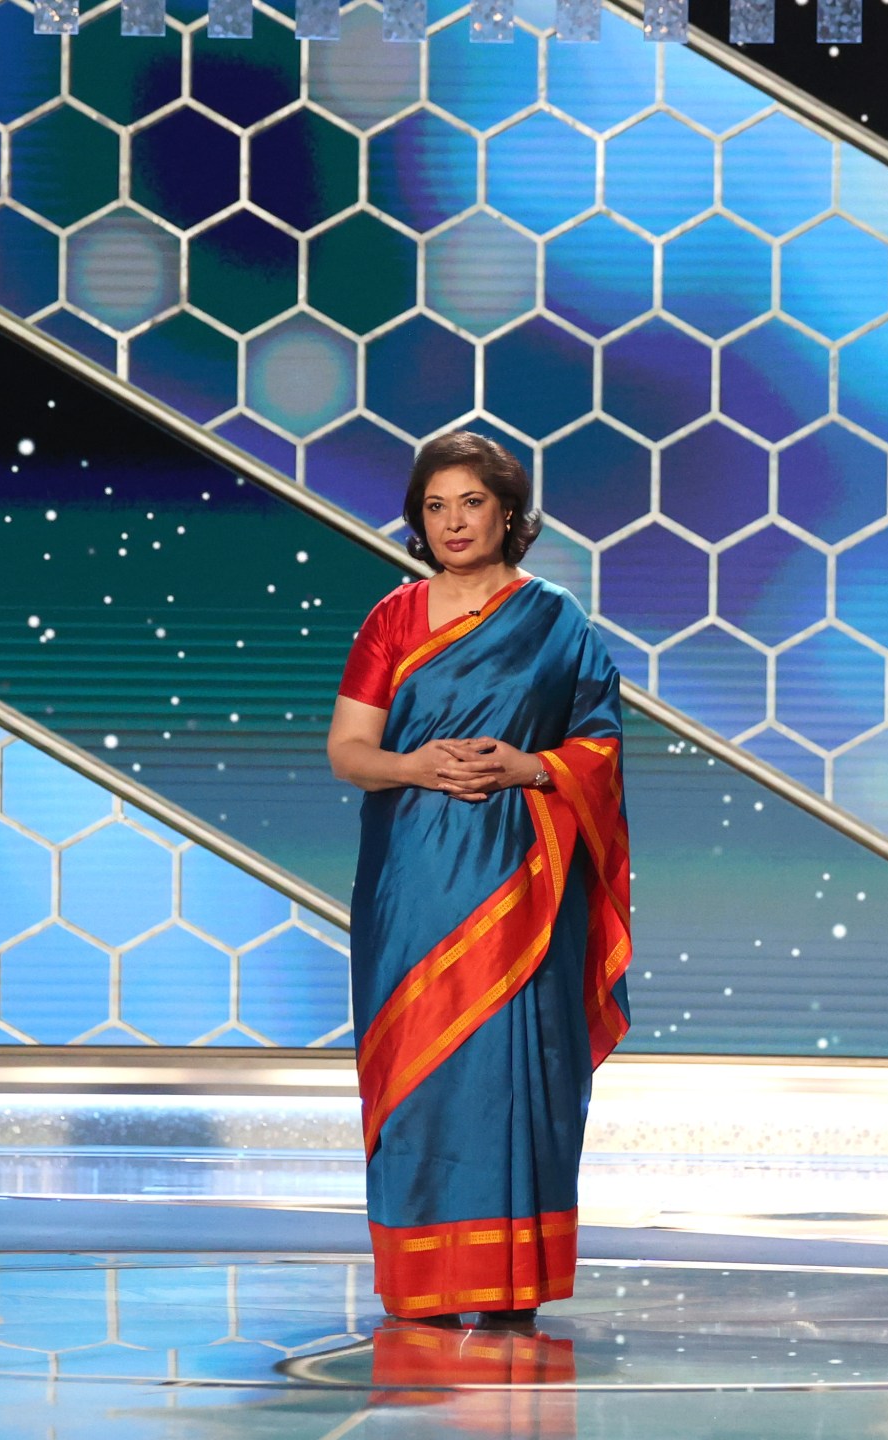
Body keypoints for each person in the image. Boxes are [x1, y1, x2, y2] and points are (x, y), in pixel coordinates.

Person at [326, 430, 631, 1328]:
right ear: (419, 520)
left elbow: (601, 747)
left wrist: (528, 769)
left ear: (508, 513)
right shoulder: (391, 620)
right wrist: (417, 766)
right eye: (435, 506)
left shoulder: (557, 621)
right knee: (419, 1066)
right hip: (413, 881)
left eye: (471, 503)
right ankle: (423, 1282)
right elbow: (349, 752)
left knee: (513, 1070)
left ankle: (509, 1282)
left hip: (527, 881)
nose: (454, 522)